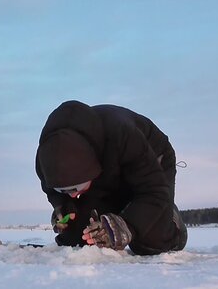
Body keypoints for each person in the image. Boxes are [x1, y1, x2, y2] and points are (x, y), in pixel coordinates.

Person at [35, 100, 187, 255]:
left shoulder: (122, 132)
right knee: (80, 236)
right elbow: (52, 190)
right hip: (104, 172)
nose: (74, 194)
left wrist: (127, 225)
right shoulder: (46, 157)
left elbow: (153, 190)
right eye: (64, 189)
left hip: (152, 165)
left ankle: (171, 223)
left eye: (77, 188)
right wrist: (64, 205)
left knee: (150, 241)